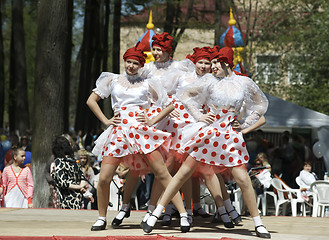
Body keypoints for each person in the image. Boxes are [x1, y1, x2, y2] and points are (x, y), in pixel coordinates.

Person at [142, 46, 270, 238]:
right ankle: (155, 214)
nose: (212, 66)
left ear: (226, 63)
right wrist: (199, 115)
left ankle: (258, 224)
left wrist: (244, 124)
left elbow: (261, 105)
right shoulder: (209, 80)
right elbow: (185, 96)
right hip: (208, 134)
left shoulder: (244, 83)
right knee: (182, 173)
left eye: (216, 62)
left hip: (229, 136)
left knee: (243, 179)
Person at [87, 43, 190, 232]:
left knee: (162, 174)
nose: (131, 66)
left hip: (141, 132)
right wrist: (106, 120)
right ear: (124, 61)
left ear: (141, 65)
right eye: (129, 62)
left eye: (135, 63)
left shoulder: (148, 82)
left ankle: (184, 215)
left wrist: (151, 120)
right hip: (119, 132)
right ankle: (102, 218)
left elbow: (170, 105)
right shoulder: (113, 80)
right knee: (103, 178)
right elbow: (91, 100)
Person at [51, 136, 88, 209]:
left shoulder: (59, 161)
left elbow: (63, 183)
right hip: (78, 199)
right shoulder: (74, 160)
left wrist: (79, 187)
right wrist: (81, 186)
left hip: (66, 200)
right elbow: (82, 177)